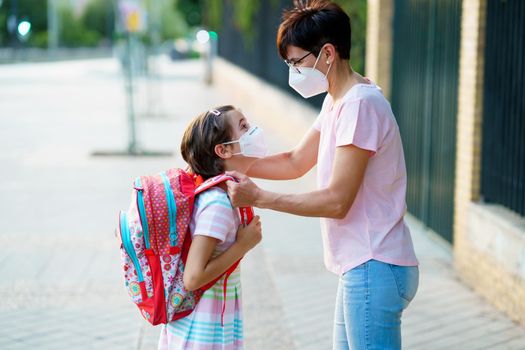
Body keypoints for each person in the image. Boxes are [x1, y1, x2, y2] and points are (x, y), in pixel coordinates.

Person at [225, 1, 419, 349]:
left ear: (327, 53)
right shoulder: (338, 100)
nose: (292, 71)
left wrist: (260, 198)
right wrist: (231, 163)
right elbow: (295, 161)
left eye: (296, 62)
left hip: (374, 264)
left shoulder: (360, 106)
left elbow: (336, 201)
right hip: (363, 266)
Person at [158, 105, 265, 350]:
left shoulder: (220, 193)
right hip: (201, 333)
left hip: (208, 324)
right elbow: (193, 277)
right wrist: (243, 245)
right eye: (244, 126)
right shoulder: (217, 203)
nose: (253, 131)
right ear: (223, 150)